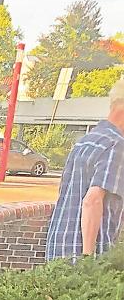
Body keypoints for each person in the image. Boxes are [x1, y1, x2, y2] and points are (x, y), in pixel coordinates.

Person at [46, 78, 124, 260]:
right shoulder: (117, 145)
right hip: (82, 252)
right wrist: (88, 260)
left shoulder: (85, 141)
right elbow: (92, 201)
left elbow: (66, 193)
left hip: (57, 245)